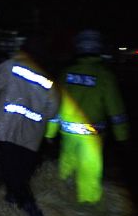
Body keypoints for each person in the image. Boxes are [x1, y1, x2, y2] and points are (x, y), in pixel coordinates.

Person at [0, 35, 60, 216]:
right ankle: (13, 205)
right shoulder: (47, 78)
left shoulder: (11, 66)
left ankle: (29, 209)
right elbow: (53, 108)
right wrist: (47, 131)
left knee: (11, 172)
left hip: (9, 129)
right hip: (33, 135)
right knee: (21, 172)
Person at [45, 29, 130, 203]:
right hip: (92, 137)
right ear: (98, 48)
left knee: (66, 170)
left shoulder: (66, 74)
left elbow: (56, 106)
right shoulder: (105, 76)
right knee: (89, 177)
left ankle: (60, 203)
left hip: (68, 134)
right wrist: (123, 136)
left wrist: (50, 133)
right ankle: (86, 209)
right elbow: (116, 111)